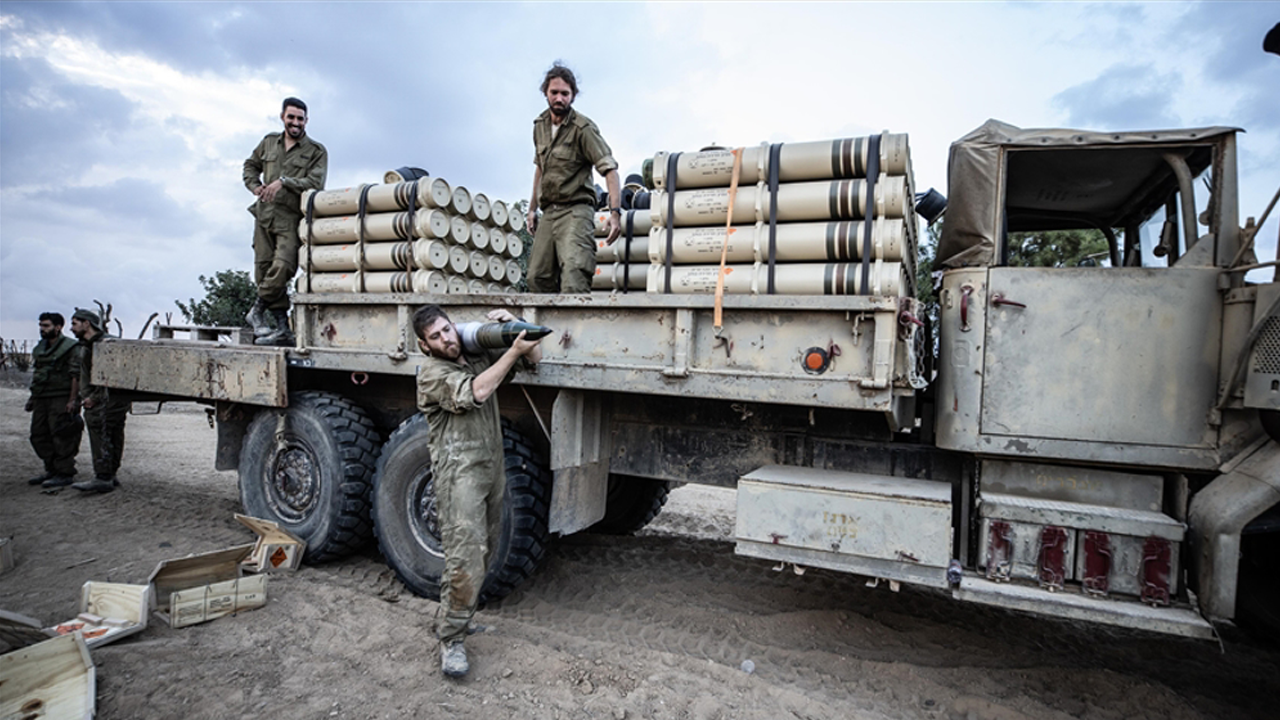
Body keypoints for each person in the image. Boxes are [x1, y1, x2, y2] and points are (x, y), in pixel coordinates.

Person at [412, 304, 543, 678]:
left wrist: (514, 325)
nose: (447, 339)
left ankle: (463, 619)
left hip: (488, 466)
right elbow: (479, 391)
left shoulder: (474, 355)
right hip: (459, 474)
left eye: (448, 330)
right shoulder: (433, 374)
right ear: (425, 345)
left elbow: (534, 354)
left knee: (484, 549)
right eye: (436, 337)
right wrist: (512, 353)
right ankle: (450, 638)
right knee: (464, 558)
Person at [526, 62, 622, 293]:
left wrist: (615, 213)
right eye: (554, 93)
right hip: (549, 211)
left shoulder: (583, 128)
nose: (559, 99)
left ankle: (575, 329)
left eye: (565, 94)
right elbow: (540, 168)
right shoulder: (539, 126)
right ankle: (547, 329)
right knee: (536, 278)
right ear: (545, 93)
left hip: (576, 210)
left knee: (574, 274)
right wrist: (531, 209)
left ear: (573, 96)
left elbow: (609, 169)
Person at [243, 97, 328, 346]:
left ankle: (256, 310)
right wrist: (254, 186)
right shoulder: (269, 142)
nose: (295, 122)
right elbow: (250, 165)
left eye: (300, 118)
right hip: (263, 215)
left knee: (284, 266)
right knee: (263, 268)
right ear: (283, 117)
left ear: (306, 121)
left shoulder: (316, 151)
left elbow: (315, 184)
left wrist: (285, 181)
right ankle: (282, 328)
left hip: (291, 218)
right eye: (291, 117)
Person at [69, 308, 129, 494]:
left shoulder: (104, 345)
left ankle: (103, 477)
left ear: (87, 324)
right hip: (110, 400)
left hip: (105, 402)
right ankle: (110, 474)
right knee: (113, 435)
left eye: (75, 323)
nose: (71, 328)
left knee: (101, 435)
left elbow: (112, 375)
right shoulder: (91, 345)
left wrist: (93, 398)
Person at [25, 312, 83, 489]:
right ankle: (51, 468)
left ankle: (65, 472)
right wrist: (33, 397)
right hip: (42, 395)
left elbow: (76, 375)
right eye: (41, 326)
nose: (42, 329)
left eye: (46, 326)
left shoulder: (70, 347)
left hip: (62, 395)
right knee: (38, 434)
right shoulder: (41, 348)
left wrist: (73, 400)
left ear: (58, 327)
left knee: (62, 434)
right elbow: (38, 373)